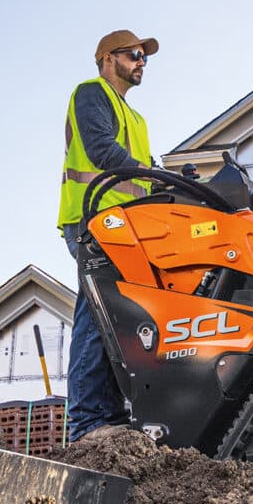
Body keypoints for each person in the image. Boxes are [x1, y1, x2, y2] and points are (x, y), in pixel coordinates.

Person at [57, 28, 158, 441]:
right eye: (133, 55)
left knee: (120, 315)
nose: (141, 63)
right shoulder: (91, 93)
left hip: (127, 228)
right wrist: (155, 173)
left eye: (144, 58)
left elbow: (145, 169)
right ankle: (86, 421)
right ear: (106, 59)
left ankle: (111, 415)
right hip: (94, 221)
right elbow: (101, 150)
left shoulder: (136, 118)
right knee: (98, 312)